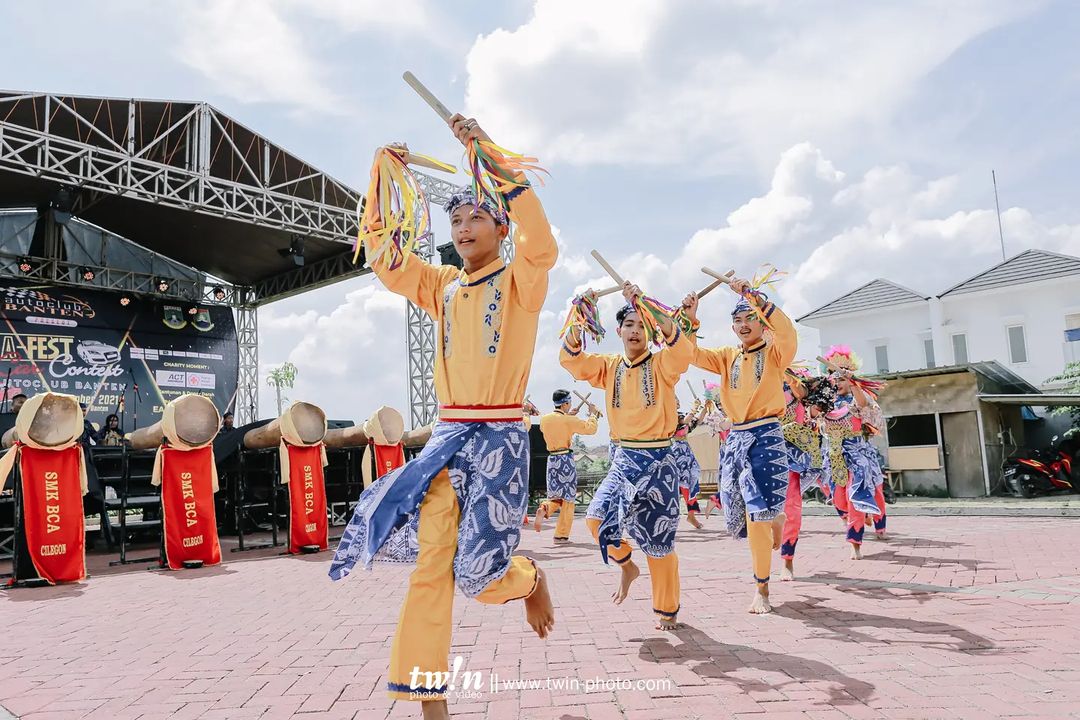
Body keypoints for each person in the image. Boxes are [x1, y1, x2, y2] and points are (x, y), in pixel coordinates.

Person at [328, 114, 557, 718]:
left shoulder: (522, 281)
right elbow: (386, 260)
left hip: (502, 440)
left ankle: (526, 577)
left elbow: (544, 243)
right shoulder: (444, 286)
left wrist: (490, 157)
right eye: (454, 220)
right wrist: (383, 180)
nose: (461, 228)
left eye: (475, 216)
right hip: (448, 440)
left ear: (501, 226)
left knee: (480, 579)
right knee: (431, 567)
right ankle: (430, 702)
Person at [560, 284, 696, 630]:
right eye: (629, 325)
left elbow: (683, 353)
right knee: (595, 519)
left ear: (650, 332)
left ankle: (667, 610)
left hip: (659, 461)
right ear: (618, 330)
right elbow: (573, 361)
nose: (635, 331)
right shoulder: (608, 367)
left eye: (641, 325)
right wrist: (580, 316)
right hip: (624, 459)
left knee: (659, 542)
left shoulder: (664, 363)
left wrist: (651, 308)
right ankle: (626, 565)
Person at [684, 276, 797, 614]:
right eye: (737, 319)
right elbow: (690, 353)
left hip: (766, 436)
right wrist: (690, 319)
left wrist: (753, 296)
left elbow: (788, 331)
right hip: (736, 439)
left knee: (759, 516)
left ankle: (762, 590)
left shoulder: (776, 351)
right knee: (745, 515)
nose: (743, 325)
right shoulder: (725, 356)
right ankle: (775, 519)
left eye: (750, 318)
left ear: (762, 322)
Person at [820, 346, 888, 558]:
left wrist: (856, 384)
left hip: (858, 453)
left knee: (861, 492)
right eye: (835, 378)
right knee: (838, 498)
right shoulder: (826, 401)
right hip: (834, 454)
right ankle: (860, 516)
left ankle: (857, 540)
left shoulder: (858, 399)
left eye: (842, 378)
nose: (838, 382)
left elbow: (864, 406)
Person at [777, 371, 834, 581]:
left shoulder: (798, 391)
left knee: (792, 508)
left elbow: (801, 392)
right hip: (764, 452)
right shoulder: (759, 381)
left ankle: (787, 560)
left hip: (791, 459)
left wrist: (784, 370)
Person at [533, 390, 600, 541]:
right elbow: (590, 429)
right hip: (565, 461)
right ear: (566, 403)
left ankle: (545, 508)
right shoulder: (570, 420)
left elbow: (557, 425)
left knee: (555, 496)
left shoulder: (545, 419)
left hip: (552, 461)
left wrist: (568, 416)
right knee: (568, 499)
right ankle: (561, 534)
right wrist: (593, 414)